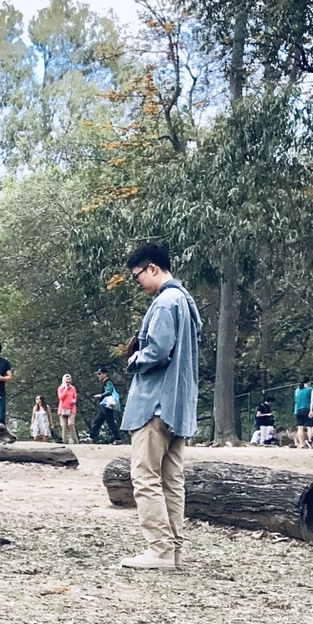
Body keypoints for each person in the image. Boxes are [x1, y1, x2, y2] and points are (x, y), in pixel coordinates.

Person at [118, 242, 201, 569]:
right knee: (171, 479)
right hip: (178, 405)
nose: (137, 282)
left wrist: (135, 358)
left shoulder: (165, 303)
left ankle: (159, 550)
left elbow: (158, 351)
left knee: (144, 475)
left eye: (137, 275)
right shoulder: (186, 301)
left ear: (152, 268)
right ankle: (173, 550)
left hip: (155, 405)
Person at [90, 367, 123, 443]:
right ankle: (91, 437)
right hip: (104, 405)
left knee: (109, 422)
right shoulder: (105, 382)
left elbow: (109, 391)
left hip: (107, 405)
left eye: (100, 374)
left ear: (105, 374)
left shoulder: (108, 382)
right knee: (98, 421)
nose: (98, 375)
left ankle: (118, 438)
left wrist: (100, 395)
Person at [57, 373, 78, 444]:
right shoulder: (60, 388)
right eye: (66, 379)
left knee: (70, 423)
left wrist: (74, 401)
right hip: (62, 409)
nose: (68, 381)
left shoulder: (73, 388)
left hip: (71, 408)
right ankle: (65, 441)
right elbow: (60, 397)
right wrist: (65, 389)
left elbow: (75, 397)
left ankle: (75, 440)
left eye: (69, 379)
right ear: (64, 380)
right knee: (63, 425)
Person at [292, 379, 312, 448]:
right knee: (309, 427)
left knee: (300, 428)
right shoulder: (309, 389)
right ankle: (310, 442)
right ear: (308, 382)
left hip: (298, 410)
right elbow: (312, 400)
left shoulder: (297, 390)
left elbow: (295, 400)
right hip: (307, 409)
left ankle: (301, 443)